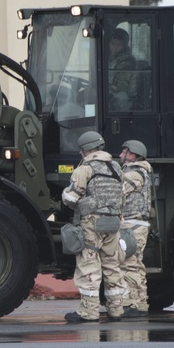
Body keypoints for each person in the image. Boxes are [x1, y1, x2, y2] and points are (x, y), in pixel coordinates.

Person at [61, 131, 127, 323]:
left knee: (89, 266)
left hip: (92, 224)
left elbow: (71, 198)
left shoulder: (86, 168)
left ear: (85, 150)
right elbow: (121, 197)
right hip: (113, 223)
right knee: (112, 265)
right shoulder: (116, 167)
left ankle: (88, 312)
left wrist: (67, 195)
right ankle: (116, 309)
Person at [119, 139, 153, 319]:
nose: (120, 155)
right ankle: (140, 303)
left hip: (133, 225)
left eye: (124, 151)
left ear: (133, 154)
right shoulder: (140, 172)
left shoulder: (134, 174)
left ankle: (130, 304)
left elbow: (118, 192)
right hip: (136, 224)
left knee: (128, 263)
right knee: (137, 265)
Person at [108, 28, 138, 111]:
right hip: (114, 93)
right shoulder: (111, 58)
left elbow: (121, 86)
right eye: (113, 44)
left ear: (124, 46)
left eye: (118, 45)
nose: (115, 47)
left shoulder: (127, 62)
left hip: (125, 97)